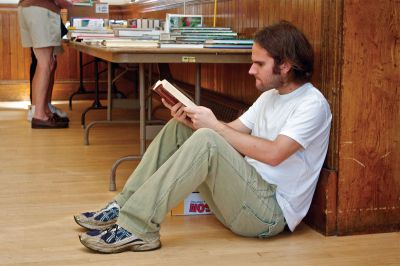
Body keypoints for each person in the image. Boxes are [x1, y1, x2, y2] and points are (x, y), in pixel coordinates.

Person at [74, 21, 332, 253]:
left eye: (259, 64)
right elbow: (233, 131)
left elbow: (274, 154)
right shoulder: (269, 96)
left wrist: (212, 128)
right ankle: (123, 206)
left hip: (267, 215)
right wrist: (193, 121)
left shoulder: (312, 104)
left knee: (208, 138)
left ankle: (138, 227)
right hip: (240, 198)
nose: (251, 70)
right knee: (183, 129)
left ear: (285, 65)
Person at [18, 0, 71, 128]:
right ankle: (39, 116)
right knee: (45, 63)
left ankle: (41, 111)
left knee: (45, 63)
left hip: (27, 8)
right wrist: (70, 4)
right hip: (41, 10)